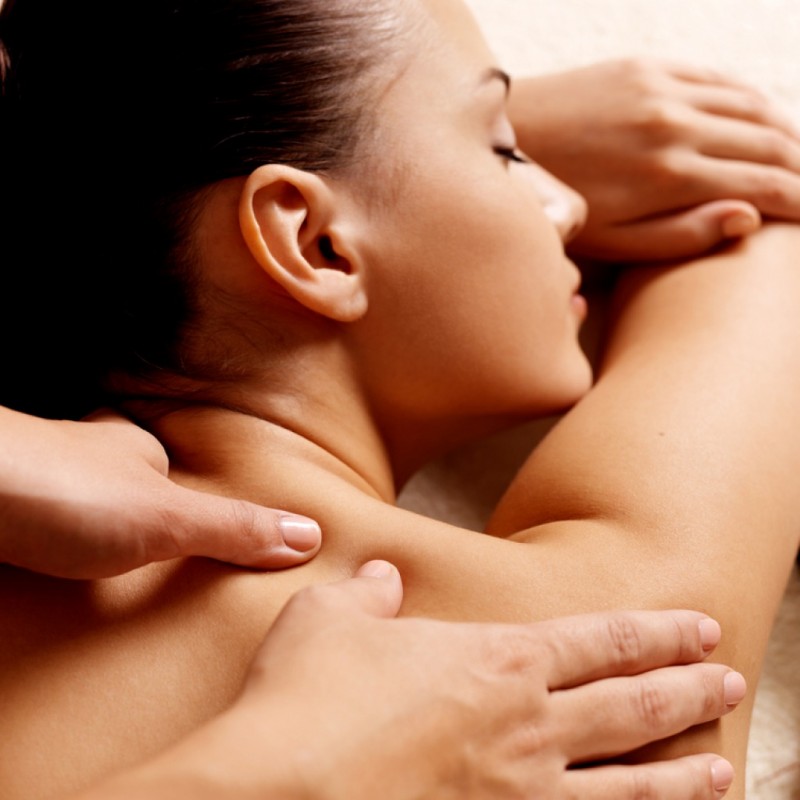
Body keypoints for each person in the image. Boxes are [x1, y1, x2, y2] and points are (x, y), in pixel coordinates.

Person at [2, 1, 800, 798]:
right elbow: (762, 211)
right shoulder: (573, 667)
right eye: (505, 148)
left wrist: (391, 159)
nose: (570, 204)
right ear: (317, 245)